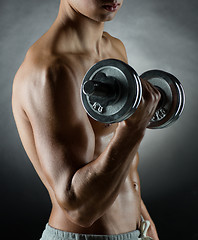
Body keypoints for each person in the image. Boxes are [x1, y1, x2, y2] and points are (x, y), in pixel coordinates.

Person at [12, 0, 160, 239]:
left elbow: (121, 166)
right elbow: (79, 208)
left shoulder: (114, 48)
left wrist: (146, 223)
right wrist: (133, 129)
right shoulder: (50, 70)